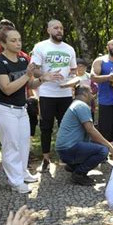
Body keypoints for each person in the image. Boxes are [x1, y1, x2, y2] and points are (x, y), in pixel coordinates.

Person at [0, 26, 42, 194]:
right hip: (5, 109)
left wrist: (43, 79)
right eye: (13, 40)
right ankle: (15, 181)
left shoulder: (23, 60)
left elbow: (30, 85)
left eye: (19, 39)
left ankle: (21, 172)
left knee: (23, 143)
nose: (18, 43)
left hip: (21, 108)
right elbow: (7, 89)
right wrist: (27, 75)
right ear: (3, 43)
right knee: (11, 144)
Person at [31, 19, 77, 173]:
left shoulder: (69, 49)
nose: (59, 30)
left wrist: (71, 81)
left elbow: (73, 71)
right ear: (48, 30)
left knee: (67, 126)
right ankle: (46, 159)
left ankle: (67, 158)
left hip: (65, 93)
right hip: (46, 93)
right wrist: (46, 75)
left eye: (61, 28)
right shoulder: (40, 47)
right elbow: (34, 69)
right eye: (56, 28)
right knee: (46, 127)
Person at [55, 85, 113, 186]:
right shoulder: (81, 106)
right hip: (69, 149)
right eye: (90, 93)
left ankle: (73, 166)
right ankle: (79, 173)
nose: (92, 96)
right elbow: (91, 131)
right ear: (85, 93)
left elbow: (90, 134)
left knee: (102, 147)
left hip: (65, 149)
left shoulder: (76, 104)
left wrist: (107, 143)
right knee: (103, 151)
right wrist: (109, 147)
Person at [0, 19, 30, 99]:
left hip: (19, 94)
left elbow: (27, 75)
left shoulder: (23, 56)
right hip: (0, 92)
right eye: (2, 29)